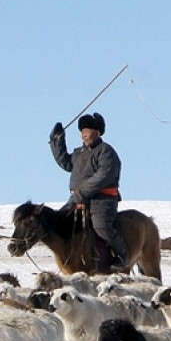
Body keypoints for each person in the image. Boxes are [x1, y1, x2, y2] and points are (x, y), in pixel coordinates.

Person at [49, 112, 129, 273]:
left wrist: (82, 192)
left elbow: (103, 176)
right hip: (78, 198)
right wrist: (57, 141)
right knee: (59, 221)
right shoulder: (80, 153)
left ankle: (122, 255)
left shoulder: (106, 152)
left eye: (87, 131)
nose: (83, 135)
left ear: (98, 132)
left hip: (102, 199)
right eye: (82, 132)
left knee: (101, 226)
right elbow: (65, 162)